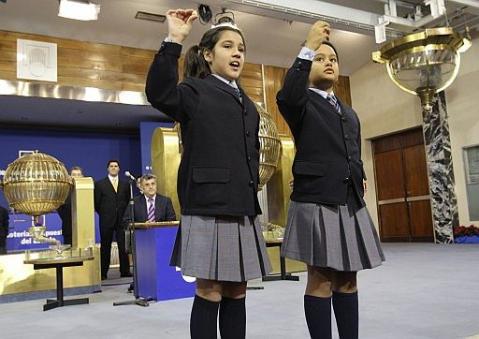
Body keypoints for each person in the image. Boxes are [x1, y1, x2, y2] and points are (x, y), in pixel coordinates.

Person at [145, 8, 271, 339]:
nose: (237, 54)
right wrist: (173, 39)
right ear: (208, 54)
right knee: (210, 290)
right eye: (228, 46)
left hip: (242, 206)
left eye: (241, 49)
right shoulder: (194, 90)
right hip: (207, 205)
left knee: (237, 291)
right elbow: (159, 94)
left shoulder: (248, 102)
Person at [277, 21, 385, 339]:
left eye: (333, 59)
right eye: (320, 58)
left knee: (348, 279)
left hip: (349, 201)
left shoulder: (349, 113)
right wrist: (308, 46)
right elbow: (287, 95)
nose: (329, 62)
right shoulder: (300, 102)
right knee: (321, 279)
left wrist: (359, 176)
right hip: (316, 199)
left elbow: (354, 152)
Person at [94, 160, 131, 280]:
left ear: (119, 169)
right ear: (107, 169)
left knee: (123, 246)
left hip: (122, 220)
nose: (114, 168)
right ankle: (103, 273)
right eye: (111, 166)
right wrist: (105, 214)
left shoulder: (126, 185)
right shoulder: (100, 184)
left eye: (116, 166)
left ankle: (125, 271)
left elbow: (128, 202)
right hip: (106, 220)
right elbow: (97, 203)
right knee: (105, 247)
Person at [57, 166, 83, 246]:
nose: (76, 177)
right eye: (74, 174)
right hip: (68, 228)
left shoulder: (86, 192)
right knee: (69, 252)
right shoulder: (64, 191)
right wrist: (68, 218)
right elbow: (59, 207)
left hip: (83, 229)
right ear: (70, 177)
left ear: (82, 177)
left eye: (78, 175)